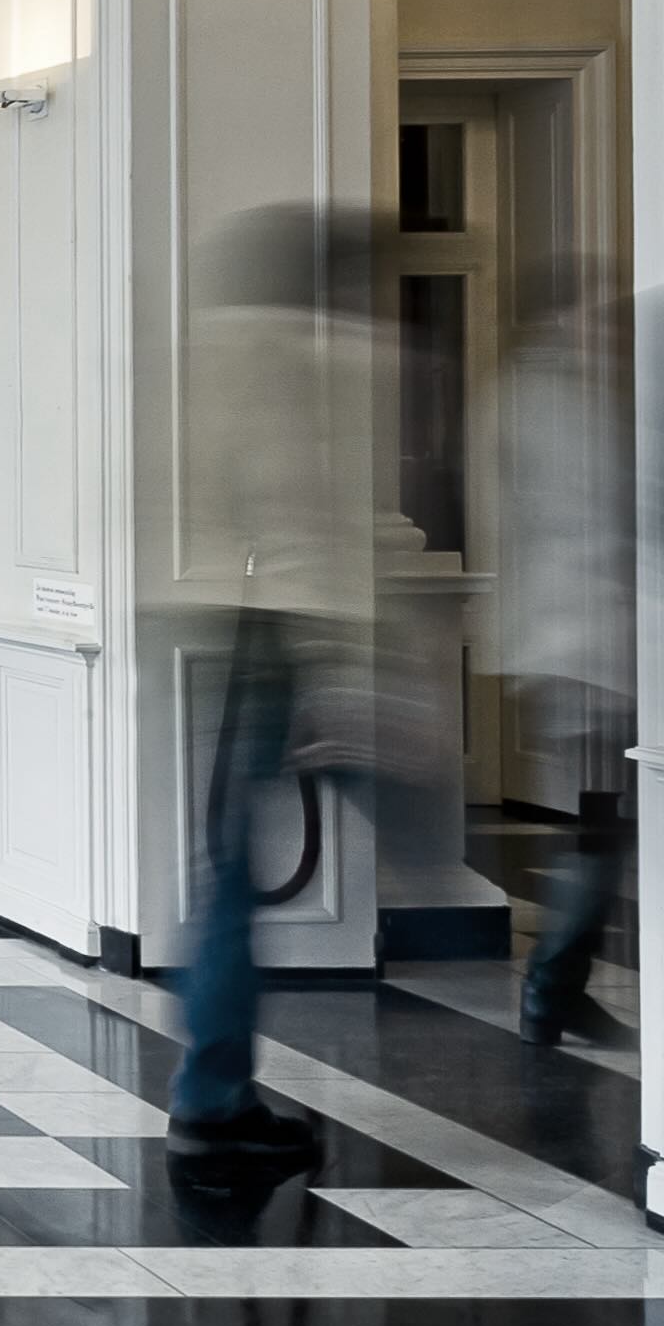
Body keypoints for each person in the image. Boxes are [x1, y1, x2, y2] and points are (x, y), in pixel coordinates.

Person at [168, 204, 386, 1164]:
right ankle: (211, 1091)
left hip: (223, 628)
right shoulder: (299, 359)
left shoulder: (199, 356)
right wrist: (334, 659)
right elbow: (301, 511)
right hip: (277, 635)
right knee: (236, 879)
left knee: (230, 870)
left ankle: (213, 1075)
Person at [494, 286, 631, 1045]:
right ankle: (553, 984)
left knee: (601, 822)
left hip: (575, 641)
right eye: (598, 316)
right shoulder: (557, 400)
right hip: (581, 644)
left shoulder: (537, 393)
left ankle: (559, 981)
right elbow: (590, 519)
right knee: (600, 823)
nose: (608, 331)